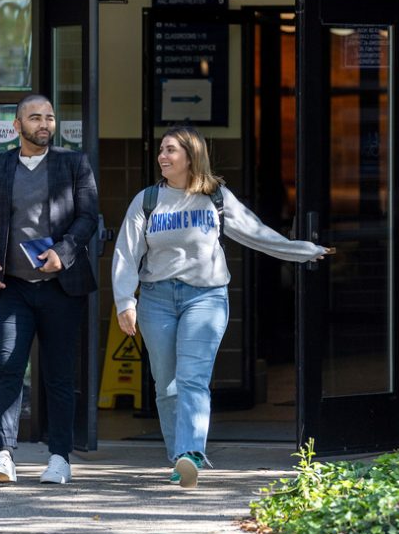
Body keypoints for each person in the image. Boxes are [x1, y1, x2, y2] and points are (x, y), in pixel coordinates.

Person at [111, 125, 332, 489]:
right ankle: (178, 457)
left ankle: (191, 453)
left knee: (192, 378)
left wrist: (302, 250)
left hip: (206, 297)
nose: (162, 157)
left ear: (190, 156)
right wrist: (124, 301)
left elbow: (256, 233)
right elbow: (126, 253)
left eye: (170, 151)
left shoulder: (215, 197)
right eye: (162, 151)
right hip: (156, 299)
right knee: (165, 385)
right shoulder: (147, 200)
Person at [0, 94, 98, 485]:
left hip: (61, 286)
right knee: (9, 368)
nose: (44, 124)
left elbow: (88, 217)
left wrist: (63, 252)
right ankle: (4, 454)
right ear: (17, 126)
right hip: (14, 287)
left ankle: (59, 457)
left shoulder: (73, 163)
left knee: (59, 375)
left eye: (49, 117)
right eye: (35, 118)